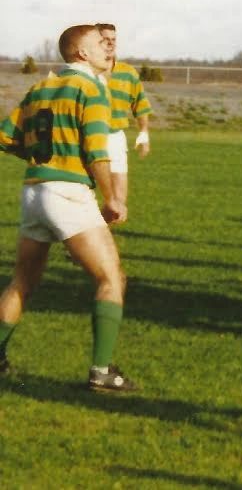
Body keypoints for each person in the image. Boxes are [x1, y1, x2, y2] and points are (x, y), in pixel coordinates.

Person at [0, 25, 137, 391]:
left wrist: (40, 155)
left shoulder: (40, 88)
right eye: (99, 44)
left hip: (33, 192)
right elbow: (96, 151)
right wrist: (112, 197)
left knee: (22, 282)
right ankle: (102, 371)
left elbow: (5, 135)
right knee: (111, 278)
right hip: (68, 193)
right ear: (81, 54)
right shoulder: (90, 89)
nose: (107, 48)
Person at [95, 23, 152, 210]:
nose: (110, 43)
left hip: (115, 139)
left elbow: (141, 106)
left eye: (113, 39)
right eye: (105, 39)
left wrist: (143, 135)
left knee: (119, 202)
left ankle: (103, 235)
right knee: (82, 197)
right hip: (88, 139)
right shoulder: (85, 73)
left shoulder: (128, 73)